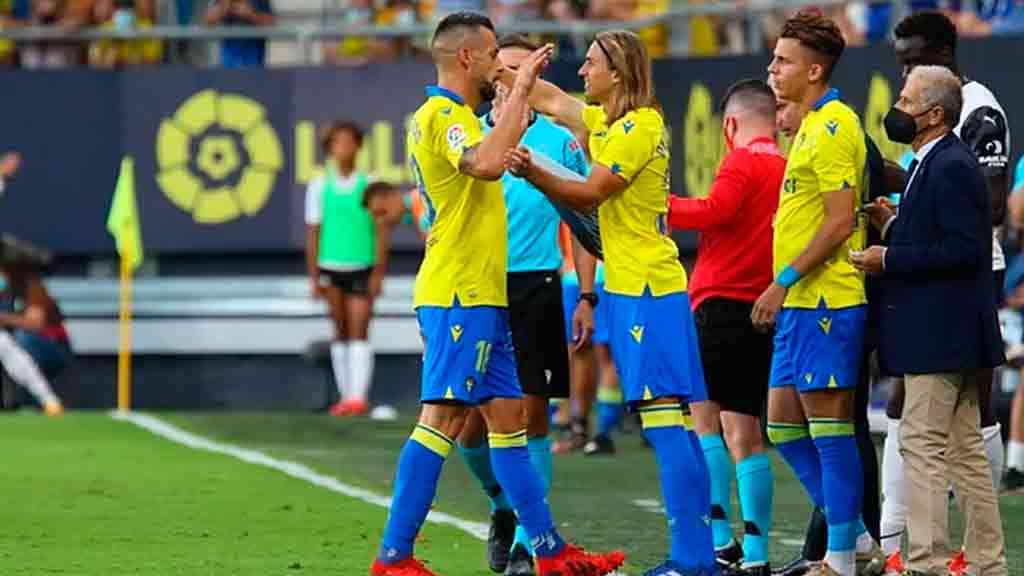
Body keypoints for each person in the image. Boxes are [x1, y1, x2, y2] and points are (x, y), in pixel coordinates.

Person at [371, 12, 624, 576]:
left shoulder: (453, 115)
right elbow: (485, 164)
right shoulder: (444, 115)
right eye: (491, 58)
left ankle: (548, 551)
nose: (498, 71)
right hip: (460, 293)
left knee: (509, 421)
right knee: (441, 419)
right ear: (466, 58)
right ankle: (394, 556)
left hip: (485, 291)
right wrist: (523, 91)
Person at [504, 28, 717, 576]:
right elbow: (553, 100)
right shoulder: (617, 122)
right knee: (673, 421)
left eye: (592, 64)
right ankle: (696, 554)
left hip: (647, 289)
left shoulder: (637, 128)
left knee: (666, 423)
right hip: (636, 287)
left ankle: (692, 559)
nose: (582, 72)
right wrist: (501, 73)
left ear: (617, 74)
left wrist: (535, 172)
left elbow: (589, 192)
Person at [852, 64, 1008, 576]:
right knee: (964, 453)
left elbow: (964, 251)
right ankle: (988, 564)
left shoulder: (950, 164)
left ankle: (926, 563)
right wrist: (893, 224)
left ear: (934, 114)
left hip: (941, 335)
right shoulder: (936, 161)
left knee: (921, 447)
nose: (897, 106)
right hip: (953, 333)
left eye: (905, 98)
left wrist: (887, 259)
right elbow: (941, 238)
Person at [452, 32, 598, 576]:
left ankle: (526, 542)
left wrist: (586, 296)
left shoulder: (560, 142)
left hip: (536, 283)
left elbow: (582, 221)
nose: (513, 77)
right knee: (469, 424)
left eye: (522, 68)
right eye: (504, 66)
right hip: (475, 286)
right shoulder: (469, 136)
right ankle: (500, 505)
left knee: (532, 413)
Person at [756, 9, 882, 576]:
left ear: (814, 70)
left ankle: (839, 559)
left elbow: (835, 224)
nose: (772, 68)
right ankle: (853, 536)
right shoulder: (808, 122)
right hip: (802, 302)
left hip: (825, 299)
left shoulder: (833, 127)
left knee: (831, 431)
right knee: (782, 424)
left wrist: (782, 282)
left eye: (783, 61)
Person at [666, 78, 782, 576]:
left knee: (709, 423)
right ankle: (752, 551)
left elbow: (716, 210)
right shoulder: (787, 166)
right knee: (748, 429)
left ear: (730, 124)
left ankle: (723, 541)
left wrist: (657, 206)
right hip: (762, 305)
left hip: (719, 303)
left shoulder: (741, 161)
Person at [304, 122, 394, 417]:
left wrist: (379, 273)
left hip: (362, 266)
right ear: (329, 149)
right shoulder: (319, 186)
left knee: (359, 329)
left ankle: (358, 397)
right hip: (331, 266)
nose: (343, 147)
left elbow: (381, 231)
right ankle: (345, 397)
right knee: (340, 330)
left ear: (358, 146)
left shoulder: (370, 183)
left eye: (348, 141)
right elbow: (314, 232)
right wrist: (314, 276)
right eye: (337, 142)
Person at [0, 241, 69, 416]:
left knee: (12, 341)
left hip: (52, 346)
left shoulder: (32, 286)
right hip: (17, 343)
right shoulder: (6, 290)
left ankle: (48, 401)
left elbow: (35, 323)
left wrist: (3, 318)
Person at [204, 0, 275, 68]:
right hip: (228, 60)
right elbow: (208, 21)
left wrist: (250, 15)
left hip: (254, 60)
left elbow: (271, 22)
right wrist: (224, 6)